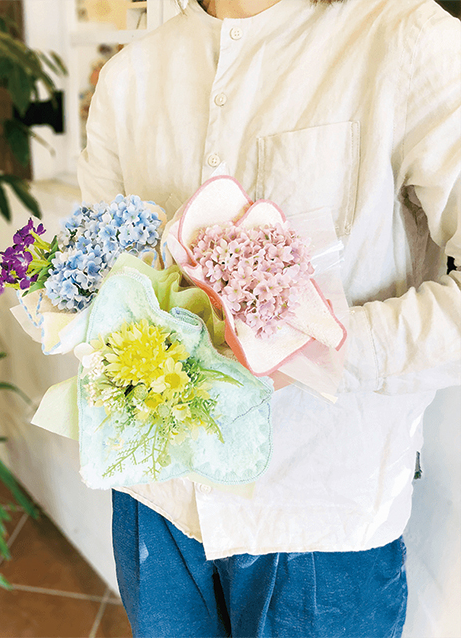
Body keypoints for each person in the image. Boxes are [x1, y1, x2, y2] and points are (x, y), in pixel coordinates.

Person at [77, 0, 461, 635]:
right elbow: (96, 278)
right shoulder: (131, 75)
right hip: (156, 502)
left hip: (317, 521)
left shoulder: (404, 41)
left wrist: (322, 347)